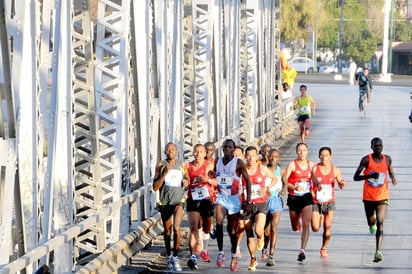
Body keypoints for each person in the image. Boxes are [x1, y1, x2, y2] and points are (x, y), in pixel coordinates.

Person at [353, 137, 397, 263]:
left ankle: (378, 251)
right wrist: (369, 175)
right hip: (368, 197)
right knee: (371, 221)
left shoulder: (387, 159)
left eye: (380, 145)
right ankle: (371, 224)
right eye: (376, 146)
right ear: (371, 147)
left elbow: (390, 169)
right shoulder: (366, 159)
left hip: (382, 196)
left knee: (381, 222)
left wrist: (393, 177)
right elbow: (355, 177)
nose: (378, 147)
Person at [211, 139, 252, 272]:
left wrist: (248, 200)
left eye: (230, 147)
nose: (227, 149)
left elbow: (248, 181)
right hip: (221, 197)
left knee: (232, 230)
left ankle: (234, 256)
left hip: (234, 199)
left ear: (234, 149)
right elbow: (213, 174)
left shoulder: (238, 163)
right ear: (222, 149)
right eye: (225, 147)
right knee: (218, 220)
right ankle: (221, 253)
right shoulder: (217, 161)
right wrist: (211, 174)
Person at [152, 142, 190, 272]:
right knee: (167, 231)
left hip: (179, 200)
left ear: (177, 151)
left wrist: (186, 182)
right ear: (165, 152)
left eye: (173, 149)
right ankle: (169, 255)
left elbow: (187, 181)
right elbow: (155, 187)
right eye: (168, 149)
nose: (170, 151)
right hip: (165, 202)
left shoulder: (183, 165)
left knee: (176, 227)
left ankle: (175, 257)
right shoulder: (161, 165)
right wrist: (164, 174)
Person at [242, 146, 278, 271]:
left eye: (253, 155)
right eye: (248, 155)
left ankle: (261, 237)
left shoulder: (261, 169)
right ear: (245, 157)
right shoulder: (241, 170)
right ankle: (253, 259)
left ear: (257, 156)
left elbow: (275, 178)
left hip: (260, 204)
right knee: (248, 234)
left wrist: (267, 189)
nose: (251, 158)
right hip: (247, 205)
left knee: (258, 230)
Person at [282, 143, 315, 263]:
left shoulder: (311, 165)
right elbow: (284, 179)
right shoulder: (292, 164)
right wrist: (293, 187)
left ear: (307, 151)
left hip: (306, 197)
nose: (302, 153)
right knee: (295, 227)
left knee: (306, 224)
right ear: (297, 152)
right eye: (299, 150)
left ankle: (302, 250)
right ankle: (297, 222)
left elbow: (315, 178)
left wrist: (317, 187)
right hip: (294, 197)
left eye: (304, 150)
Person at [311, 147, 346, 258]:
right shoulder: (315, 168)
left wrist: (341, 183)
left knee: (327, 227)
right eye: (322, 155)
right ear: (319, 156)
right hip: (316, 201)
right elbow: (311, 179)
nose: (324, 157)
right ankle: (319, 217)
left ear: (330, 157)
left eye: (326, 155)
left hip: (329, 202)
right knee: (315, 228)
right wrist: (314, 188)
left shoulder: (335, 169)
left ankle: (324, 247)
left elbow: (340, 180)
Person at [186, 144, 217, 269]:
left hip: (206, 199)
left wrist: (207, 180)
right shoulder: (188, 167)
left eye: (200, 152)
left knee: (207, 228)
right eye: (196, 152)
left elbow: (217, 182)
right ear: (193, 153)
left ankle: (204, 245)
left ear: (205, 154)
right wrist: (185, 182)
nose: (198, 154)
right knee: (194, 226)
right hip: (193, 198)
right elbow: (185, 181)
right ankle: (193, 257)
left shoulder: (209, 166)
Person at [262, 148, 286, 266]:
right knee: (265, 231)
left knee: (273, 228)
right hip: (264, 202)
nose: (273, 159)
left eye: (275, 157)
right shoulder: (263, 170)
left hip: (276, 201)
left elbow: (285, 182)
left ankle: (271, 255)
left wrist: (283, 190)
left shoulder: (281, 171)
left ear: (278, 158)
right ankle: (265, 247)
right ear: (268, 157)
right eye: (271, 156)